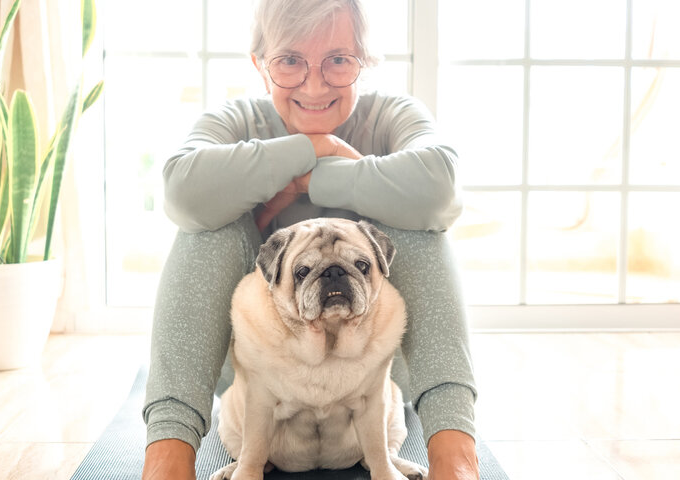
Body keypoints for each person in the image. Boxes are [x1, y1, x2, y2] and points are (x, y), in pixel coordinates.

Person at [141, 1, 478, 479]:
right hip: (257, 379)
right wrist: (315, 147)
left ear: (365, 63)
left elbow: (441, 188)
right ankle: (167, 463)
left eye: (339, 60)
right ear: (260, 65)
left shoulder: (391, 115)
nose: (315, 85)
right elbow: (180, 192)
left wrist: (308, 180)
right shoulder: (236, 120)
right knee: (207, 227)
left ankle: (456, 461)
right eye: (290, 60)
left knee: (420, 224)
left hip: (375, 377)